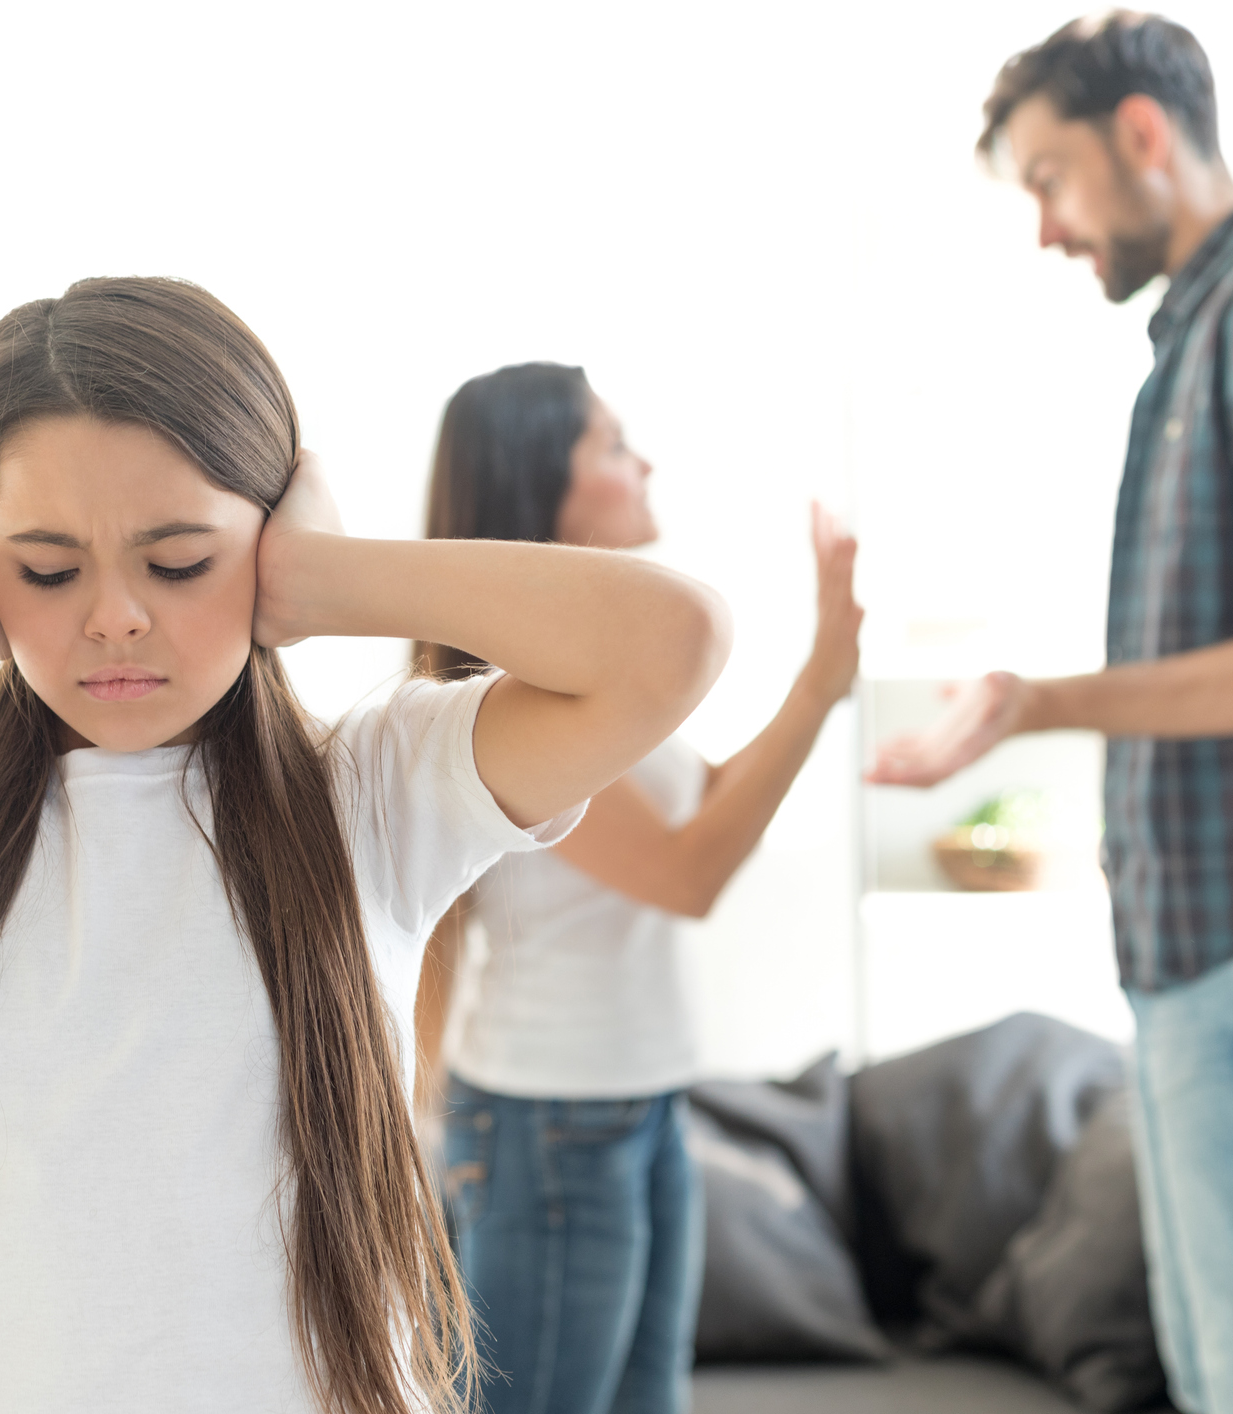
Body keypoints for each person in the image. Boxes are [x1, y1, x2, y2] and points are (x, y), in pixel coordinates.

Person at [0, 280, 730, 1414]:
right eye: (45, 568)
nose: (115, 615)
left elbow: (672, 641)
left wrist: (332, 579)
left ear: (266, 544)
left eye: (180, 562)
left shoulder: (376, 791)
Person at [869, 15, 1233, 1413]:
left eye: (1048, 178)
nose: (1047, 229)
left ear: (1141, 131)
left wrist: (1042, 703)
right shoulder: (1205, 336)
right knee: (1227, 1376)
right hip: (1206, 950)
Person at [412, 362, 861, 1414]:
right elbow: (688, 870)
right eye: (613, 444)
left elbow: (698, 795)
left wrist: (820, 680)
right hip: (553, 1117)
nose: (644, 460)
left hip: (634, 1096)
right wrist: (818, 682)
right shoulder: (501, 696)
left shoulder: (593, 673)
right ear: (541, 485)